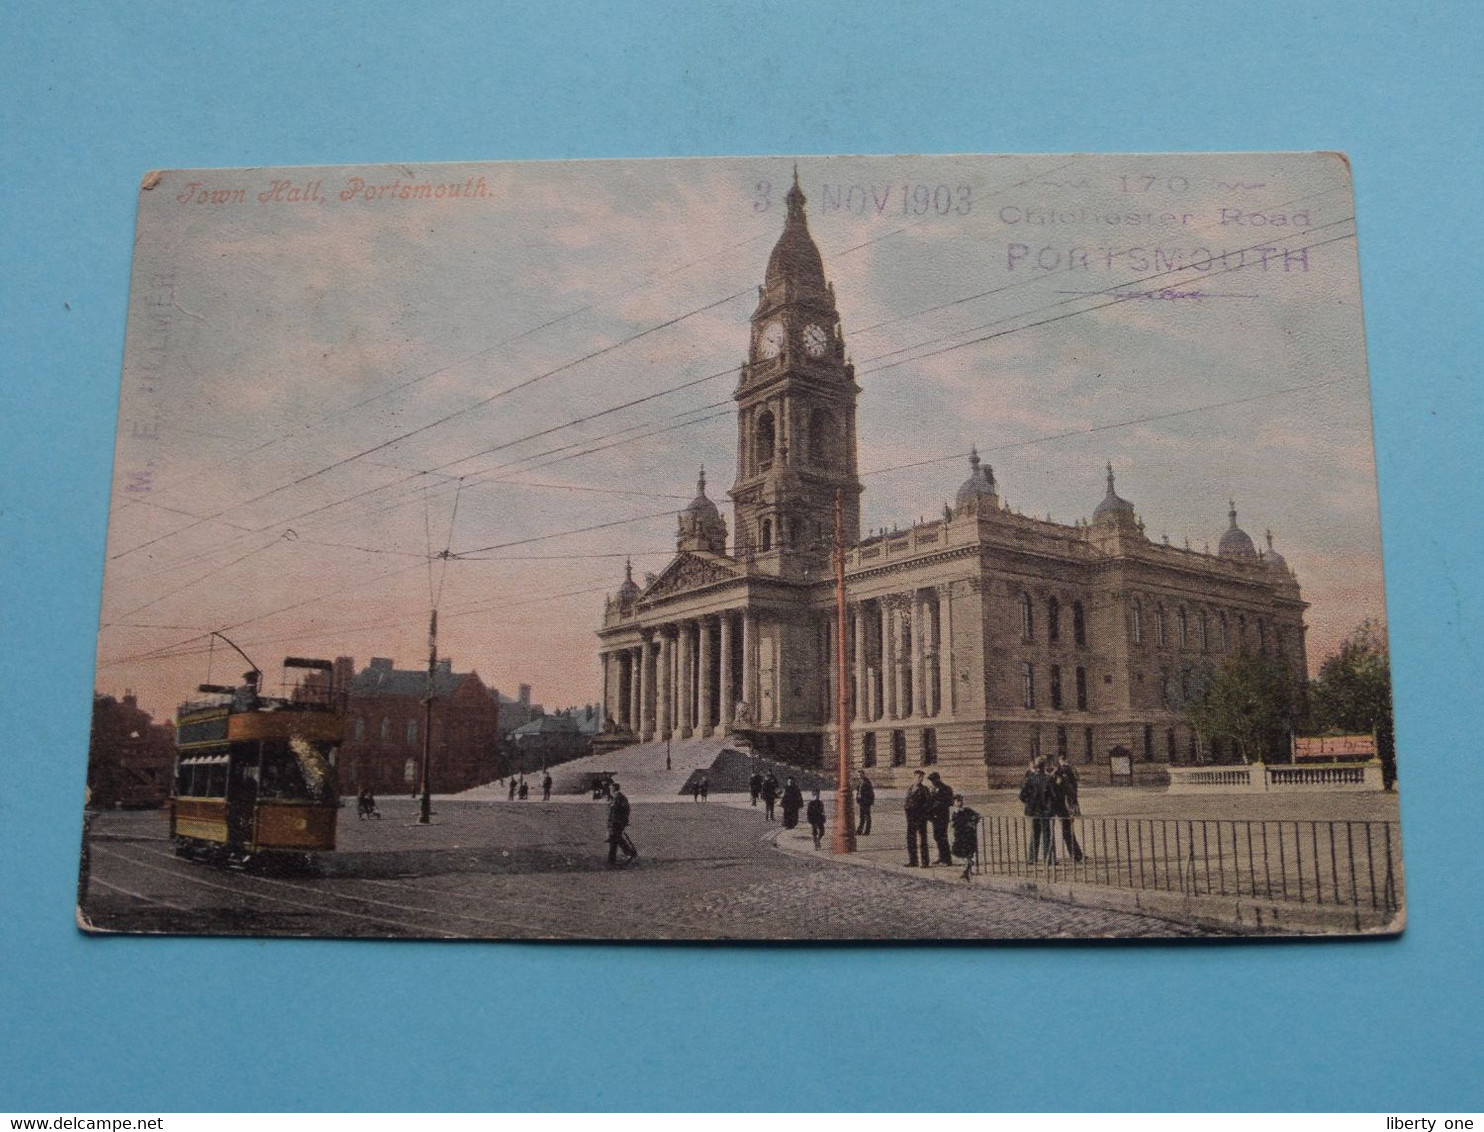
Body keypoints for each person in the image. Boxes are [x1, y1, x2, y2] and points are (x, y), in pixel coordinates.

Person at [1019, 757, 1056, 864]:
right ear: (1044, 766)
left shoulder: (1030, 779)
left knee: (1034, 833)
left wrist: (1029, 803)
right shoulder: (1048, 779)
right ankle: (1048, 858)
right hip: (1045, 811)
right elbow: (1053, 796)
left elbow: (1022, 795)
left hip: (1033, 810)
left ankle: (1031, 858)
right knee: (1047, 834)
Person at [1052, 754, 1085, 863]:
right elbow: (1070, 792)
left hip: (1049, 807)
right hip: (1061, 806)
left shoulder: (1048, 777)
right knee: (1067, 831)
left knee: (1047, 832)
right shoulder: (1063, 776)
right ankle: (1076, 854)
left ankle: (1050, 858)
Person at [903, 770, 932, 867]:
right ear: (914, 777)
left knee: (922, 839)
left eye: (922, 777)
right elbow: (907, 801)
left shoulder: (924, 790)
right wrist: (907, 809)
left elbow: (928, 804)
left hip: (920, 818)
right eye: (918, 777)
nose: (920, 779)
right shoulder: (910, 788)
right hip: (911, 818)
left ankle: (925, 862)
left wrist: (922, 812)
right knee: (911, 839)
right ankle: (913, 861)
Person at [950, 793, 982, 881]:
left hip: (968, 835)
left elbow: (978, 816)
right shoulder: (955, 813)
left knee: (968, 852)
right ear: (954, 803)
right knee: (956, 851)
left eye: (960, 801)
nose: (959, 803)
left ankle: (967, 870)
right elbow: (953, 824)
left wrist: (971, 823)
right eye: (957, 801)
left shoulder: (966, 810)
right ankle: (968, 866)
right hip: (959, 836)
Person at [606, 780, 637, 866]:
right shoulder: (614, 798)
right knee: (614, 840)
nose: (610, 789)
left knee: (616, 839)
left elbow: (625, 810)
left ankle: (629, 853)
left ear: (614, 788)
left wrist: (624, 821)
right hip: (614, 822)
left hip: (617, 822)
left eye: (611, 788)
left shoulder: (620, 798)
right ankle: (612, 860)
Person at [927, 771, 955, 865]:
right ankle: (941, 857)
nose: (932, 783)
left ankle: (947, 860)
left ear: (938, 779)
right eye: (931, 781)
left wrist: (938, 803)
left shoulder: (946, 789)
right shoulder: (933, 789)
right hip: (935, 817)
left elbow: (950, 802)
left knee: (942, 837)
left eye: (934, 780)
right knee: (937, 836)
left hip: (942, 816)